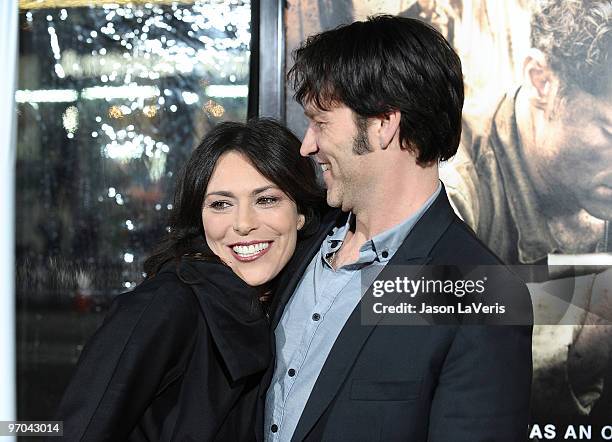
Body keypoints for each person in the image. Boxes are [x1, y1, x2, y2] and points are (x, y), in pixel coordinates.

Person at [261, 15, 532, 442]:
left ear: (384, 124)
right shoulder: (297, 241)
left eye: (322, 122)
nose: (307, 145)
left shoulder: (475, 291)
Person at [56, 119, 325, 441]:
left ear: (301, 213)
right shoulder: (165, 306)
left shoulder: (290, 302)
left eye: (266, 200)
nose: (243, 224)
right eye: (221, 204)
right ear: (199, 217)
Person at [441, 0, 612, 423]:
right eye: (610, 130)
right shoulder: (451, 182)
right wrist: (585, 334)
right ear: (542, 80)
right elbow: (405, 321)